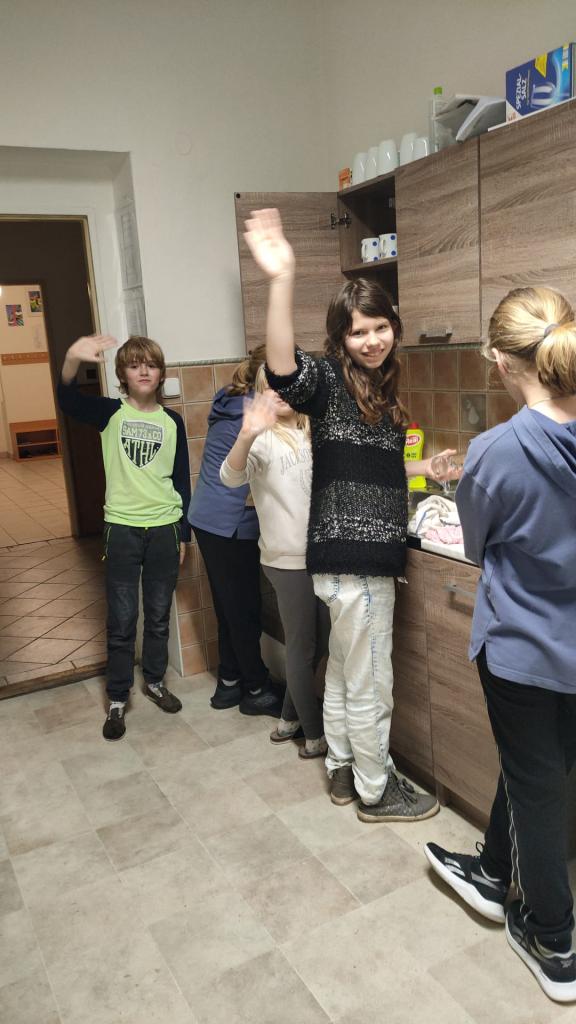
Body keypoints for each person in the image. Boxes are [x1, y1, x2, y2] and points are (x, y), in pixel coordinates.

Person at [244, 208, 457, 821]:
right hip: (356, 561)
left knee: (342, 670)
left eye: (380, 327)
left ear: (395, 327)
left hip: (341, 561)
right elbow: (283, 368)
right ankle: (375, 787)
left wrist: (425, 468)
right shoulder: (332, 382)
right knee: (370, 680)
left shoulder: (377, 389)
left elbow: (368, 467)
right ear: (340, 340)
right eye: (358, 332)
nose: (372, 340)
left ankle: (342, 768)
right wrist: (281, 277)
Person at [424, 286, 576, 1003]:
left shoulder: (498, 450)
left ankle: (554, 940)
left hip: (521, 649)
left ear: (500, 360)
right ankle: (491, 871)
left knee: (538, 787)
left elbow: (477, 543)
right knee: (538, 770)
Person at [58, 333, 190, 741]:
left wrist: (183, 534)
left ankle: (155, 680)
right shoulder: (110, 413)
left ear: (161, 373)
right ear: (123, 375)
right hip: (122, 529)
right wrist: (72, 358)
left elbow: (182, 479)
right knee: (121, 619)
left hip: (165, 528)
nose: (143, 371)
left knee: (158, 614)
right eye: (134, 365)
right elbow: (67, 400)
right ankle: (118, 697)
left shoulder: (173, 422)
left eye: (151, 364)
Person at [220, 365, 330, 758]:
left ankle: (289, 718)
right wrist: (247, 433)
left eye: (288, 386)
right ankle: (314, 736)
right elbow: (230, 477)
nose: (281, 393)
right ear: (261, 393)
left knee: (320, 643)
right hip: (286, 560)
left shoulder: (313, 430)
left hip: (321, 554)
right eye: (272, 387)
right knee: (302, 648)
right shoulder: (262, 440)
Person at [188, 346, 282, 717]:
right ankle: (257, 688)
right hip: (229, 522)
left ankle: (229, 683)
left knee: (231, 607)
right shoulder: (257, 414)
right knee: (244, 609)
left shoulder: (229, 398)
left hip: (207, 517)